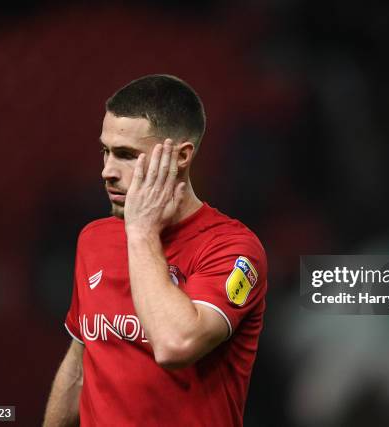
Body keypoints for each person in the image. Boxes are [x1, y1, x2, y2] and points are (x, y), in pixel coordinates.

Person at [42, 75, 267, 427]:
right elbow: (80, 365)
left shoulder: (232, 249)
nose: (107, 171)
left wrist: (142, 231)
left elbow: (175, 344)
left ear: (181, 156)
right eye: (105, 151)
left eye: (127, 155)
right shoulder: (93, 239)